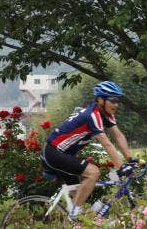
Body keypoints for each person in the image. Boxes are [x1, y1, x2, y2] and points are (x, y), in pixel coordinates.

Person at [40, 81, 137, 219]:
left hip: (64, 154)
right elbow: (107, 144)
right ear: (100, 100)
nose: (116, 104)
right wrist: (121, 167)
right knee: (93, 173)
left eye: (118, 100)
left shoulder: (106, 115)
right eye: (113, 100)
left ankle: (71, 226)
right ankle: (74, 214)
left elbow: (118, 135)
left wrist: (130, 159)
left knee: (79, 195)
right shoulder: (93, 115)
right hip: (53, 153)